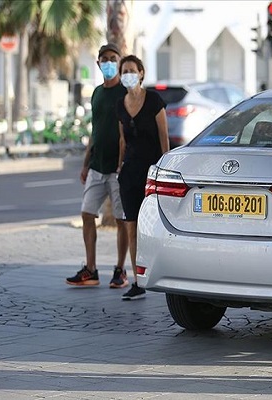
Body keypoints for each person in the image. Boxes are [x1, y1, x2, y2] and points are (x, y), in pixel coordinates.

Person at [66, 43, 129, 288]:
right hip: (96, 166)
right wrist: (85, 163)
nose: (109, 62)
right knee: (87, 213)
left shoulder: (124, 92)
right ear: (99, 63)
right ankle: (91, 269)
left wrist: (124, 163)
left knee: (122, 219)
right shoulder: (97, 93)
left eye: (113, 58)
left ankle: (120, 270)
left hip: (117, 168)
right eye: (105, 59)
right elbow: (95, 130)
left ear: (120, 62)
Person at [115, 55, 169, 300]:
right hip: (129, 173)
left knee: (156, 225)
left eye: (131, 70)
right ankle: (137, 281)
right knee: (131, 225)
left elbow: (163, 137)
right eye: (124, 71)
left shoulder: (154, 100)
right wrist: (119, 168)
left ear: (141, 73)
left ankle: (164, 272)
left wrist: (166, 167)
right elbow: (122, 141)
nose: (128, 74)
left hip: (152, 171)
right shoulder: (121, 104)